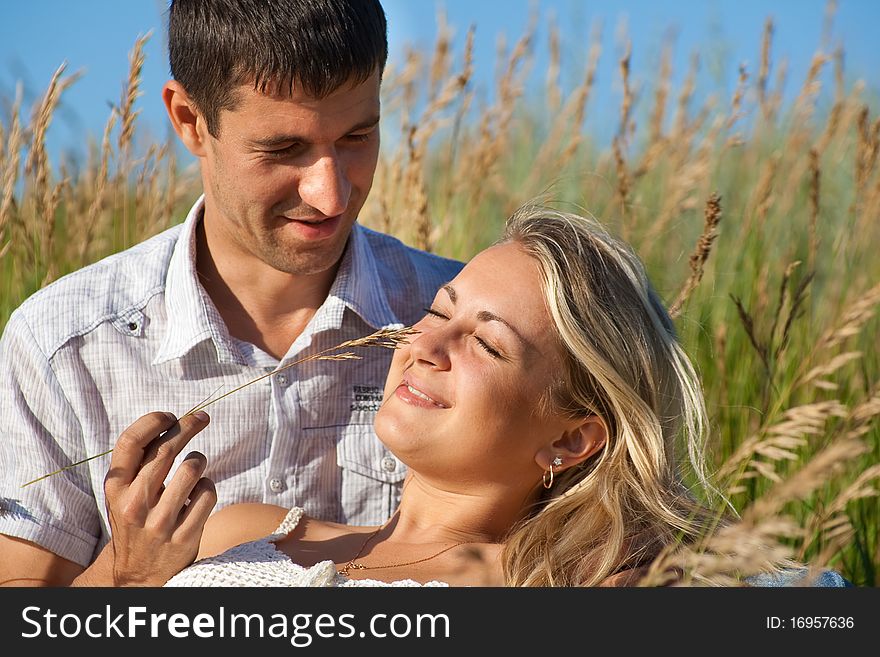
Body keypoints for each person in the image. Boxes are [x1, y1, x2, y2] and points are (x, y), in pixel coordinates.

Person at [0, 0, 463, 587]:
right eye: (283, 149)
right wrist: (129, 576)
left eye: (357, 136)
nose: (330, 194)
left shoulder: (461, 322)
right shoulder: (63, 343)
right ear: (190, 119)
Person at [95, 202, 728, 587]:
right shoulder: (234, 529)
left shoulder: (567, 590)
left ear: (569, 437)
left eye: (487, 344)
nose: (425, 345)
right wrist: (129, 585)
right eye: (436, 310)